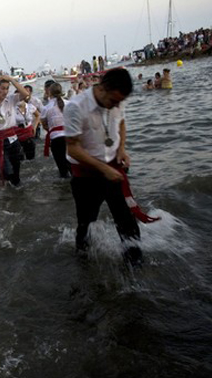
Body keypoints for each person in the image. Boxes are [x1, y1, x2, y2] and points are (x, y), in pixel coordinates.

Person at [64, 68, 159, 265]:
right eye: (113, 101)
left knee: (126, 220)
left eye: (120, 101)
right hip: (86, 176)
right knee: (86, 223)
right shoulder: (75, 107)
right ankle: (83, 263)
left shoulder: (118, 100)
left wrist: (122, 149)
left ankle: (134, 264)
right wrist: (103, 168)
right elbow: (73, 148)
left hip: (114, 169)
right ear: (103, 88)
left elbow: (121, 123)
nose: (117, 104)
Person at [43, 82, 69, 177]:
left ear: (49, 92)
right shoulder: (69, 103)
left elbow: (44, 125)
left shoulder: (46, 108)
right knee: (73, 167)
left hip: (56, 140)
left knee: (63, 171)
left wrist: (53, 129)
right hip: (70, 137)